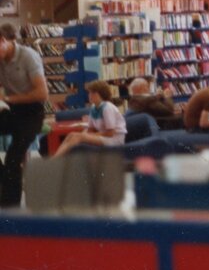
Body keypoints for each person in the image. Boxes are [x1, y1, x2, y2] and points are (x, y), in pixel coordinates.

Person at [0, 25, 48, 206]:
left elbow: (43, 94)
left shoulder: (28, 56)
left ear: (3, 41)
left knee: (13, 158)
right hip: (12, 110)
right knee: (9, 168)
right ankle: (5, 179)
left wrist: (9, 98)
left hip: (32, 113)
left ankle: (8, 211)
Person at [53, 81, 127, 157]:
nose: (89, 96)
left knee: (78, 136)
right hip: (104, 136)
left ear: (101, 94)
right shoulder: (94, 107)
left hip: (115, 139)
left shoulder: (107, 108)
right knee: (72, 135)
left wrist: (88, 135)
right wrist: (87, 134)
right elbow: (91, 129)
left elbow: (110, 133)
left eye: (93, 93)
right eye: (89, 93)